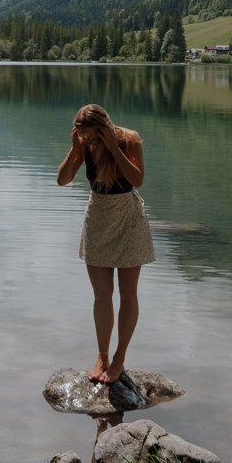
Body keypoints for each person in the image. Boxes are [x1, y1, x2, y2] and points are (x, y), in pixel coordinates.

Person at [57, 103, 155, 384]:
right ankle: (102, 355)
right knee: (101, 295)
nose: (88, 141)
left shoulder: (129, 140)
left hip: (128, 217)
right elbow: (62, 181)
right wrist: (75, 151)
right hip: (98, 218)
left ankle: (120, 359)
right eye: (84, 136)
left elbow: (138, 180)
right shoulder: (83, 146)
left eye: (92, 136)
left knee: (128, 294)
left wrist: (113, 148)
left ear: (104, 128)